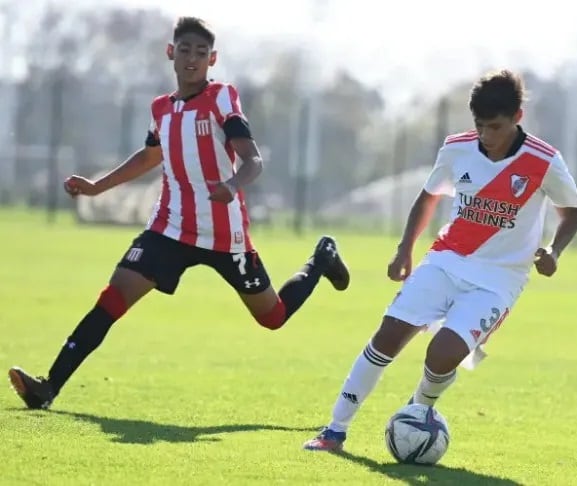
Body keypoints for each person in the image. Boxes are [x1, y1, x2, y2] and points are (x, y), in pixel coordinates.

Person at [8, 16, 350, 410]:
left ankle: (320, 259)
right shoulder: (161, 109)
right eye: (185, 50)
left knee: (272, 317)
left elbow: (253, 160)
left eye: (201, 53)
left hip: (225, 235)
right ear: (171, 53)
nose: (192, 59)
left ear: (212, 59)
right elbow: (151, 156)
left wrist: (233, 186)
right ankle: (48, 387)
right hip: (169, 228)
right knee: (114, 295)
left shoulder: (222, 98)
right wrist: (96, 187)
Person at [303, 69, 577, 452]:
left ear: (518, 117)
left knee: (443, 355)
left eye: (495, 127)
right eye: (480, 126)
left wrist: (554, 250)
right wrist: (404, 249)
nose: (486, 136)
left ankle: (419, 409)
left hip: (499, 280)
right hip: (446, 259)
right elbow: (428, 197)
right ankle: (334, 430)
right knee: (387, 337)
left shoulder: (544, 160)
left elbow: (571, 213)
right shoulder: (456, 148)